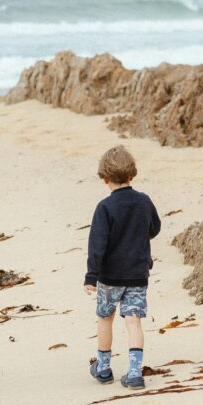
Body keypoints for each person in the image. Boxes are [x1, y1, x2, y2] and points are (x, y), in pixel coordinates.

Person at [84, 146, 161, 389]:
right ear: (132, 175)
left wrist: (91, 276)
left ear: (104, 178)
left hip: (110, 276)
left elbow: (97, 245)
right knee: (134, 321)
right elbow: (154, 228)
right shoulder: (144, 202)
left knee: (106, 318)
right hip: (137, 274)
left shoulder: (105, 208)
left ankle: (104, 369)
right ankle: (135, 372)